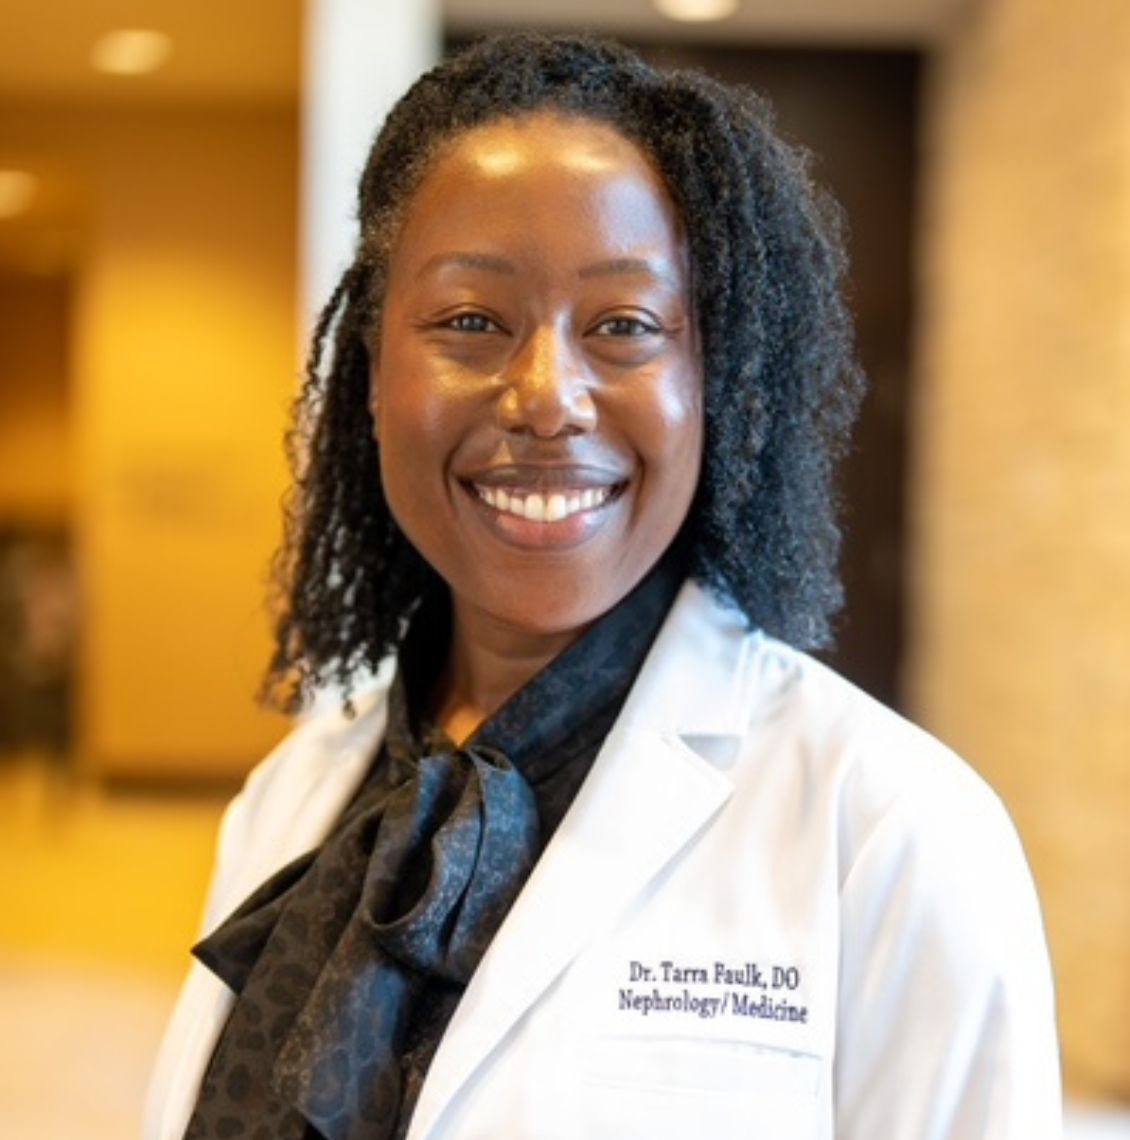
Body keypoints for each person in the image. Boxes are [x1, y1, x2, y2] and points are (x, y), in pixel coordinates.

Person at [145, 32, 1060, 1140]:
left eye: (624, 327)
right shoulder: (291, 798)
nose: (547, 398)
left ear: (710, 379)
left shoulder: (893, 830)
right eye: (470, 321)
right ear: (371, 374)